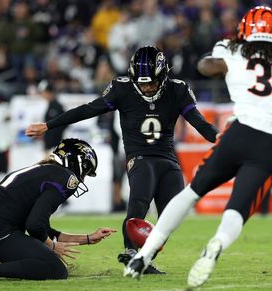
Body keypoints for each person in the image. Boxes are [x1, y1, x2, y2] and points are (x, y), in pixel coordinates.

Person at [124, 6, 272, 288]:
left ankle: (145, 253)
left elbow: (205, 66)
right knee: (238, 208)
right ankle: (217, 243)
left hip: (241, 131)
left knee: (192, 192)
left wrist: (225, 51)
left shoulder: (233, 50)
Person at [25, 46, 219, 274]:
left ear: (163, 76)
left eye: (151, 83)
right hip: (140, 156)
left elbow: (199, 123)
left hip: (168, 158)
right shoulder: (123, 88)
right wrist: (49, 125)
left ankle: (144, 258)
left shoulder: (177, 90)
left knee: (172, 215)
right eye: (142, 83)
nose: (146, 88)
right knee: (139, 198)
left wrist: (224, 139)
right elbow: (89, 109)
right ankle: (130, 251)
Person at [0, 138, 116, 282]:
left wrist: (87, 238)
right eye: (85, 170)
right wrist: (52, 246)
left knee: (44, 258)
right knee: (55, 268)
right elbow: (35, 226)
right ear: (76, 162)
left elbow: (42, 228)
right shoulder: (65, 177)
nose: (83, 177)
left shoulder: (42, 170)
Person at [38, 80, 67, 156]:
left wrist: (51, 144)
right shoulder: (51, 105)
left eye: (43, 93)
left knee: (50, 165)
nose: (42, 95)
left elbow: (60, 126)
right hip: (51, 144)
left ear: (49, 92)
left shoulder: (56, 107)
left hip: (54, 145)